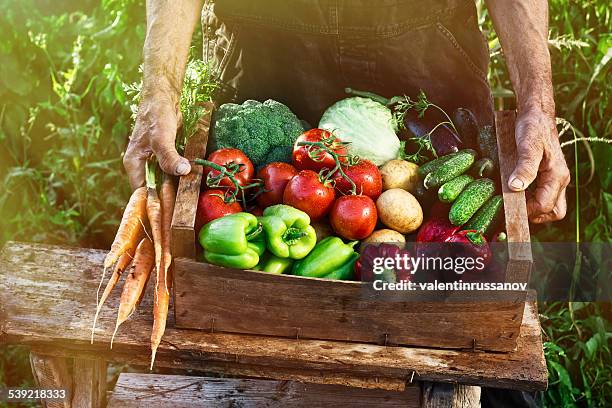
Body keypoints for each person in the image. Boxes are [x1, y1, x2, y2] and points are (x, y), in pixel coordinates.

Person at [124, 0, 570, 225]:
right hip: (264, 44)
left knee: (467, 324)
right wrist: (158, 92)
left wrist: (537, 105)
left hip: (424, 49)